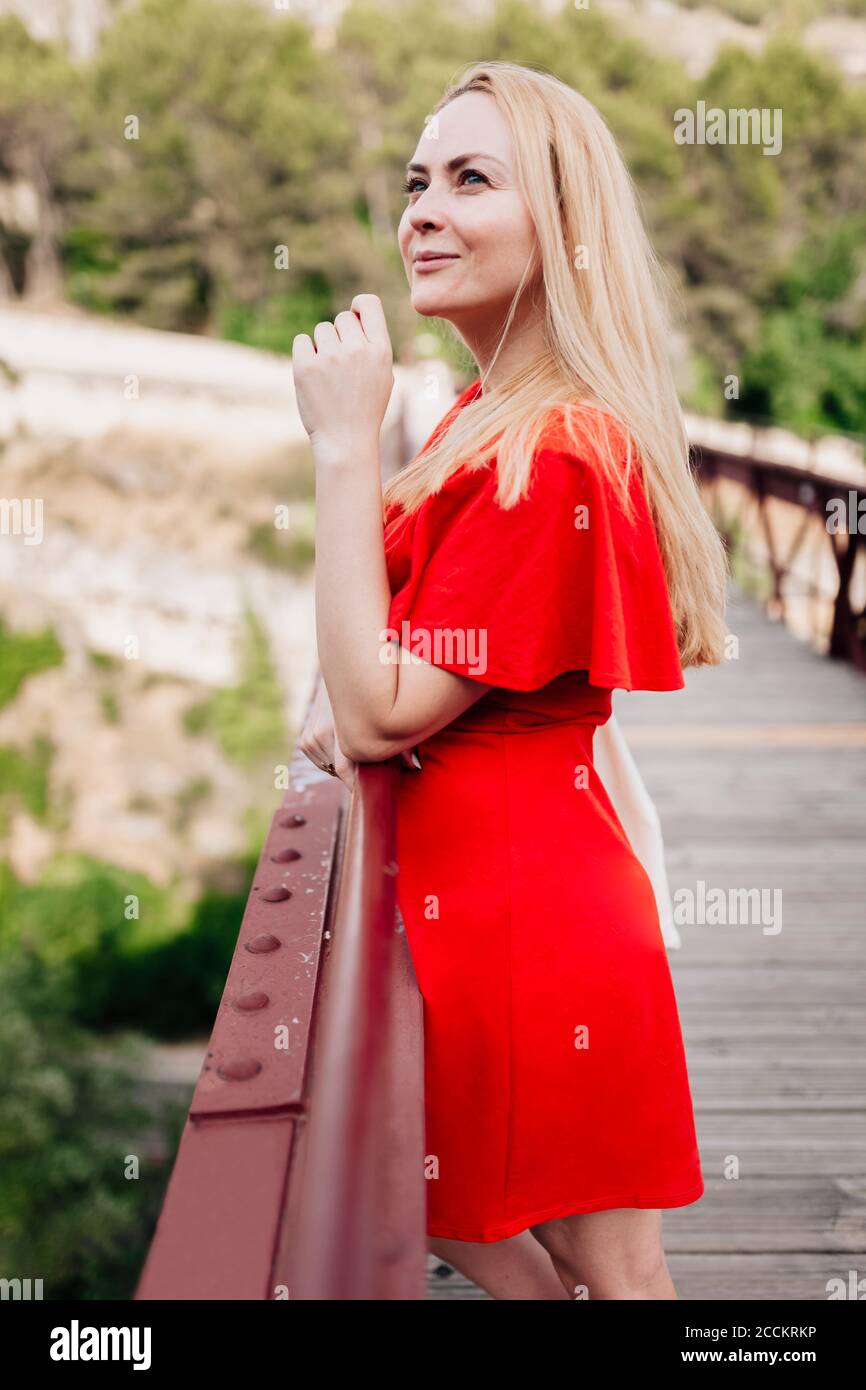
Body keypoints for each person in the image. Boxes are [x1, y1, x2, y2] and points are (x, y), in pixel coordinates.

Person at [292, 60, 728, 1300]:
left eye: (469, 179)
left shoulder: (550, 452)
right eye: (415, 178)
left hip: (527, 924)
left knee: (597, 1261)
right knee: (542, 1246)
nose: (420, 209)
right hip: (503, 905)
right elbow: (373, 667)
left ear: (564, 225)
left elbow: (376, 708)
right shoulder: (489, 419)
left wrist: (335, 448)